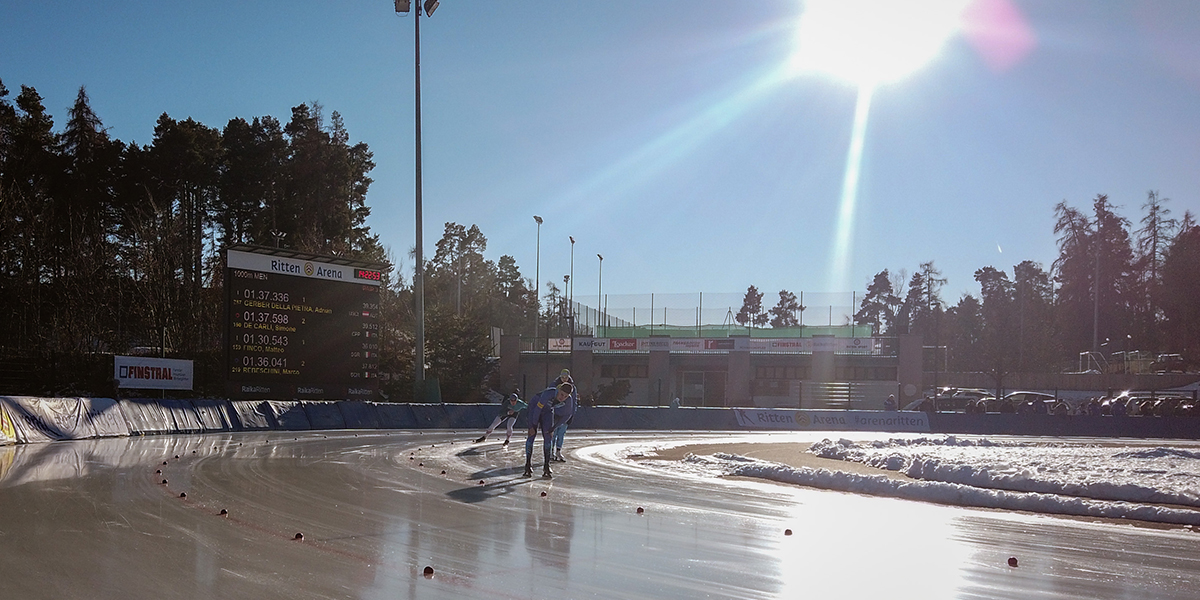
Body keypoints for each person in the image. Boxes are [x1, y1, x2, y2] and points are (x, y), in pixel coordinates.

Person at [525, 382, 573, 478]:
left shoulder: (569, 400)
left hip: (547, 411)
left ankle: (546, 465)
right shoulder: (549, 393)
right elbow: (537, 410)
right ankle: (528, 464)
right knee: (532, 434)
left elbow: (568, 415)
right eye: (561, 394)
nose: (562, 398)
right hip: (535, 408)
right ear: (558, 390)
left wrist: (554, 427)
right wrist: (533, 426)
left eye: (565, 396)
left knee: (548, 437)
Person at [550, 369, 578, 462]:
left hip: (565, 414)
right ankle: (551, 452)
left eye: (566, 377)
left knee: (561, 434)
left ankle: (558, 451)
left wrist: (572, 414)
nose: (564, 379)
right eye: (562, 377)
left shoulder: (572, 388)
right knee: (553, 433)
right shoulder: (554, 385)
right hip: (555, 413)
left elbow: (574, 402)